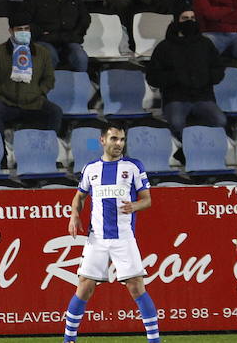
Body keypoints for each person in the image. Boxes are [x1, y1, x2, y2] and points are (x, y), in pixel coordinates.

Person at [62, 123, 161, 343]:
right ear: (102, 140)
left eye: (122, 140)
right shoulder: (91, 169)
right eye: (114, 139)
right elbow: (79, 197)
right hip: (97, 239)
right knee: (85, 287)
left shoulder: (133, 167)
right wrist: (74, 216)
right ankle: (68, 340)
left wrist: (134, 206)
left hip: (123, 238)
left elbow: (147, 200)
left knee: (136, 287)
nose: (119, 144)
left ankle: (154, 341)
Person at [145, 4, 227, 137]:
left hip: (203, 97)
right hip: (175, 98)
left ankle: (207, 152)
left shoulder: (205, 44)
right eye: (185, 18)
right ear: (176, 21)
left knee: (220, 120)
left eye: (193, 18)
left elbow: (218, 68)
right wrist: (177, 77)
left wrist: (207, 77)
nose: (190, 21)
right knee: (177, 124)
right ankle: (184, 153)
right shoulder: (164, 47)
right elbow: (153, 77)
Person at [0, 6, 63, 134]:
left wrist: (38, 91)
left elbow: (49, 79)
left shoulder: (42, 53)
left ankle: (47, 149)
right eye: (19, 29)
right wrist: (0, 90)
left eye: (26, 29)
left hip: (34, 102)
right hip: (6, 102)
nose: (24, 32)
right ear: (11, 31)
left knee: (55, 112)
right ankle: (1, 152)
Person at [20, 0, 90, 72]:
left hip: (69, 38)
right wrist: (40, 32)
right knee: (50, 57)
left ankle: (81, 85)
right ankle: (49, 86)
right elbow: (24, 20)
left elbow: (85, 18)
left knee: (80, 57)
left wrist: (76, 35)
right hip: (44, 39)